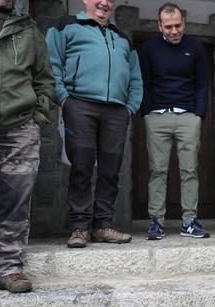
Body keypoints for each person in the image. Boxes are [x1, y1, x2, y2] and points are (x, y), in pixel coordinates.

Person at [0, 0, 55, 293]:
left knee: (17, 199)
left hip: (19, 125)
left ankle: (9, 268)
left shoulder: (28, 28)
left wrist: (38, 115)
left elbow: (45, 78)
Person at [46, 0, 143, 248]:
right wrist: (64, 99)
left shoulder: (121, 37)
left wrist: (130, 108)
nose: (104, 3)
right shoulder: (66, 25)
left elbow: (135, 76)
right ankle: (79, 228)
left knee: (111, 170)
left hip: (117, 111)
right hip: (79, 105)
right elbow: (51, 64)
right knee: (82, 166)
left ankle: (103, 225)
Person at [139, 2, 209, 240]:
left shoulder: (196, 47)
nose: (174, 30)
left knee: (190, 170)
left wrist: (199, 115)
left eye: (178, 25)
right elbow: (144, 83)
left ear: (183, 22)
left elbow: (202, 84)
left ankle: (189, 221)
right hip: (157, 117)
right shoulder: (149, 48)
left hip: (188, 116)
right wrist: (146, 113)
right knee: (157, 171)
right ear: (160, 25)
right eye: (168, 26)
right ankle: (156, 221)